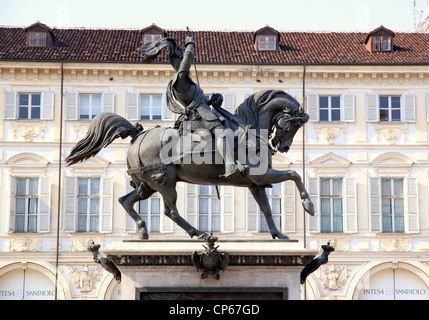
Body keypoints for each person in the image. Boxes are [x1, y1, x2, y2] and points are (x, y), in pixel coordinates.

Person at [139, 36, 244, 178]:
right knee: (222, 134)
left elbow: (197, 100)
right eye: (184, 60)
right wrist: (190, 44)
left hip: (203, 112)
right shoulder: (180, 81)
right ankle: (230, 166)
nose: (187, 62)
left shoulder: (186, 82)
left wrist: (213, 100)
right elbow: (188, 59)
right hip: (199, 116)